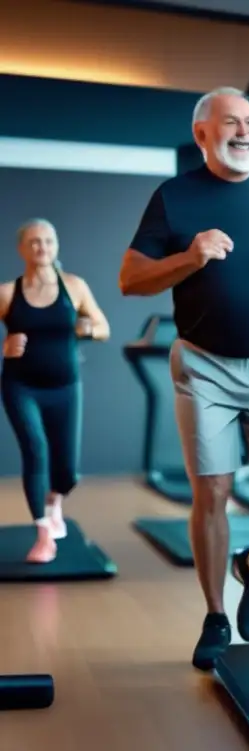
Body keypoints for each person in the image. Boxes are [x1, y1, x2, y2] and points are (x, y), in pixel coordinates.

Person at [118, 86, 249, 672]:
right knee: (212, 487)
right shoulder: (175, 197)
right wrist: (190, 256)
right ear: (203, 134)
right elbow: (129, 280)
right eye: (231, 122)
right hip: (204, 364)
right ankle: (214, 615)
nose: (245, 130)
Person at [0, 218, 110, 563]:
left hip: (65, 387)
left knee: (66, 473)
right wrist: (4, 346)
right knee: (36, 451)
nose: (41, 247)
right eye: (34, 242)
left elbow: (104, 327)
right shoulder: (7, 293)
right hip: (21, 386)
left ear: (56, 246)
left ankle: (54, 503)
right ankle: (44, 534)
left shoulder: (74, 287)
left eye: (48, 241)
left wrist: (88, 329)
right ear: (22, 249)